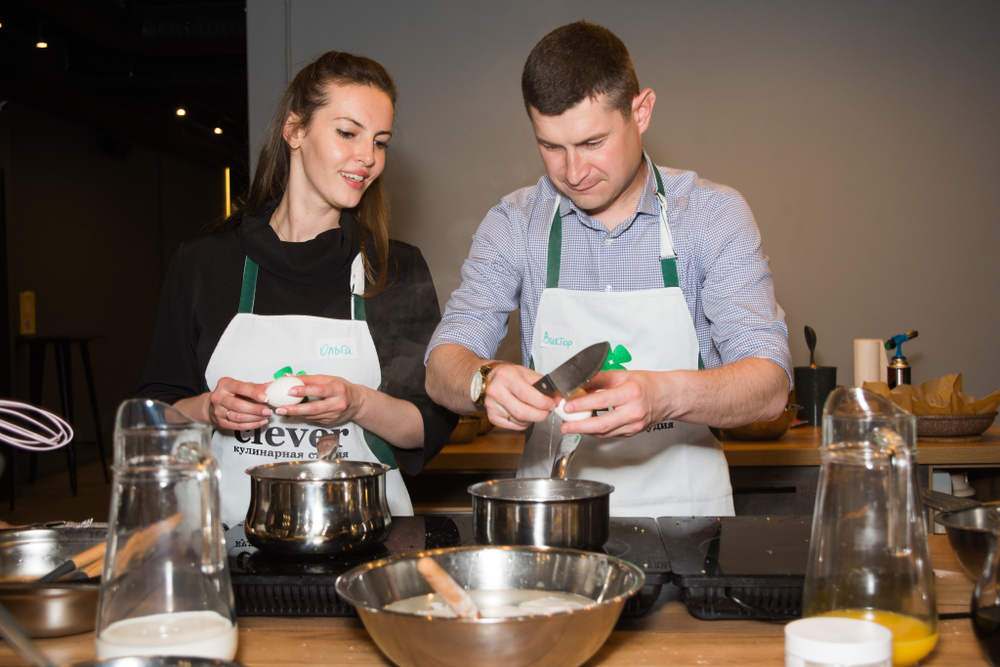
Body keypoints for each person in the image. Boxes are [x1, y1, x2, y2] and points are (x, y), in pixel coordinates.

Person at [425, 21, 792, 517]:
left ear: (641, 112)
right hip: (549, 520)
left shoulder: (711, 216)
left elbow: (769, 385)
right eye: (551, 147)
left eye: (593, 143)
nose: (573, 172)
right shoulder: (516, 222)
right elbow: (442, 366)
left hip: (686, 519)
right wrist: (483, 379)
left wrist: (664, 395)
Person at [136, 51, 456, 524]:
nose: (368, 157)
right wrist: (208, 409)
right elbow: (153, 415)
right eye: (347, 133)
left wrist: (359, 403)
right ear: (294, 130)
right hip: (229, 537)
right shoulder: (205, 263)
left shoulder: (395, 269)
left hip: (364, 533)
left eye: (380, 141)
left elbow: (428, 427)